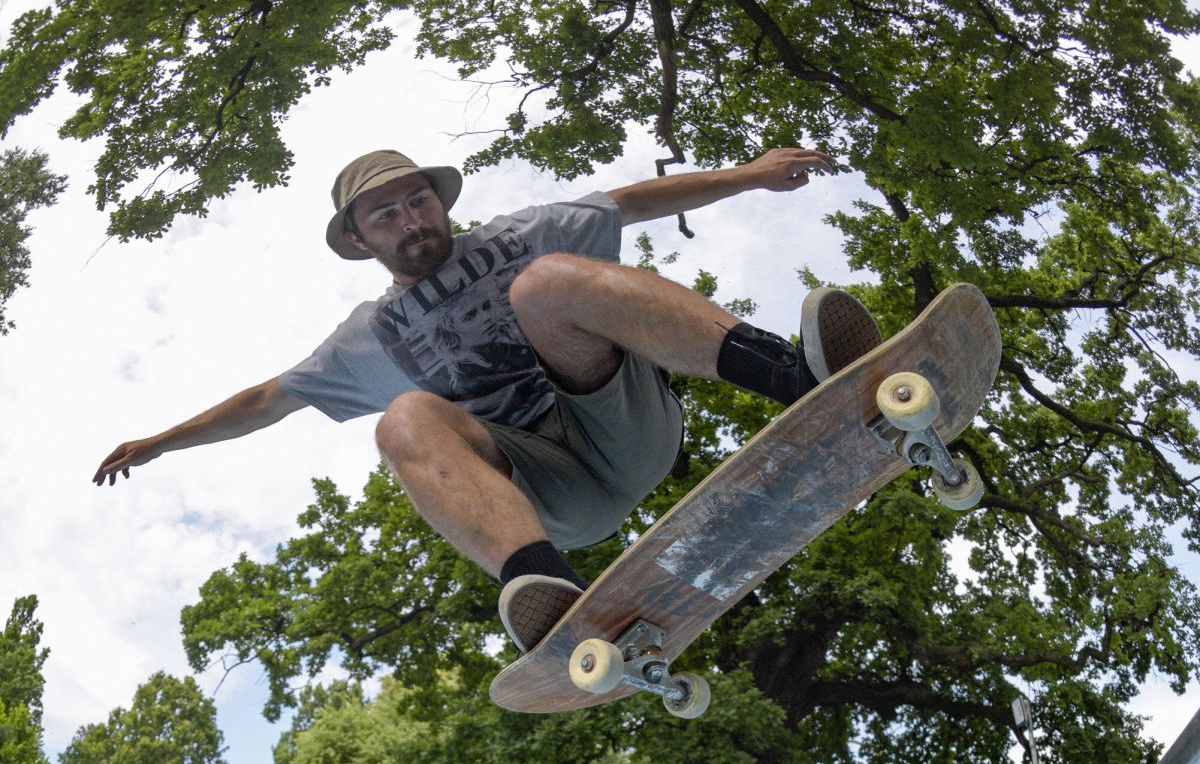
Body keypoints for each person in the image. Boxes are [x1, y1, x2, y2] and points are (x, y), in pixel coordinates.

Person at [93, 146, 883, 653]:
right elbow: (268, 398)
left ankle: (795, 376)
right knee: (403, 419)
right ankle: (546, 591)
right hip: (549, 493)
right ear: (360, 240)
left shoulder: (519, 234)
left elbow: (631, 202)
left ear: (440, 202)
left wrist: (752, 174)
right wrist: (163, 440)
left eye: (418, 201)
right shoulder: (364, 339)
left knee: (544, 282)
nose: (411, 220)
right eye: (386, 215)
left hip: (623, 423)